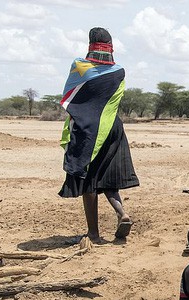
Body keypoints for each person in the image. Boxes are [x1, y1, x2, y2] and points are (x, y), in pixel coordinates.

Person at [58, 27, 139, 243]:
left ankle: (93, 234)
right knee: (107, 176)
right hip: (113, 128)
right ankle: (122, 213)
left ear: (90, 45)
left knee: (89, 180)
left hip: (89, 130)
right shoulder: (120, 71)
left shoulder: (79, 66)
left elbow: (70, 97)